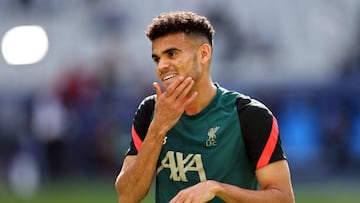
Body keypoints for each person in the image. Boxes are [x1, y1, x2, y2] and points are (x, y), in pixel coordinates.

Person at [115, 11, 295, 203]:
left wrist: (217, 188)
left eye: (172, 54)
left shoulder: (249, 115)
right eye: (157, 59)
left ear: (204, 53)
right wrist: (158, 127)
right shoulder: (151, 111)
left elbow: (283, 199)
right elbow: (127, 196)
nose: (162, 66)